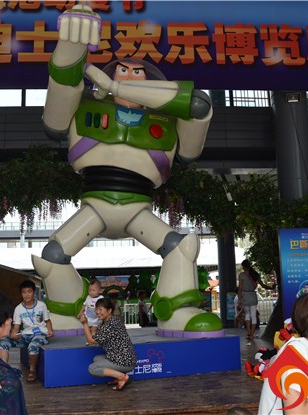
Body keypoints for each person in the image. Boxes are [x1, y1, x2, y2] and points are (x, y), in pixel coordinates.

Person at [31, 3, 219, 336]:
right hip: (95, 204)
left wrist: (195, 112)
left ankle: (177, 311)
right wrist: (70, 53)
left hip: (137, 208)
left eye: (137, 73)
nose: (129, 76)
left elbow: (195, 122)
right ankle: (67, 313)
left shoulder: (168, 119)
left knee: (181, 248)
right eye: (122, 71)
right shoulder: (85, 109)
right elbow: (57, 113)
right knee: (52, 257)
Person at [0, 280, 53, 383]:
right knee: (3, 342)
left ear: (33, 292)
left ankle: (32, 371)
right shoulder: (18, 309)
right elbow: (16, 327)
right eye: (24, 292)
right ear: (21, 294)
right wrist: (13, 334)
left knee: (33, 346)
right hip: (26, 335)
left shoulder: (41, 305)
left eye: (29, 291)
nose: (27, 295)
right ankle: (4, 371)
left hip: (40, 334)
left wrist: (50, 330)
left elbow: (47, 321)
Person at [79, 297, 137, 391]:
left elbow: (91, 341)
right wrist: (93, 329)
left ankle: (122, 377)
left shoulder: (110, 324)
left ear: (109, 310)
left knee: (92, 368)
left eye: (100, 309)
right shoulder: (113, 320)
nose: (97, 312)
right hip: (126, 357)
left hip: (124, 360)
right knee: (96, 359)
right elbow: (95, 336)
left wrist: (85, 324)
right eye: (96, 309)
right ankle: (118, 377)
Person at [237, 260, 261, 342]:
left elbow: (240, 288)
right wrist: (271, 287)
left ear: (244, 266)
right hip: (253, 296)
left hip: (245, 296)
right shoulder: (255, 274)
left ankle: (249, 332)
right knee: (253, 316)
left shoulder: (242, 275)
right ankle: (252, 335)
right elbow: (262, 284)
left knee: (247, 314)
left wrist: (239, 299)